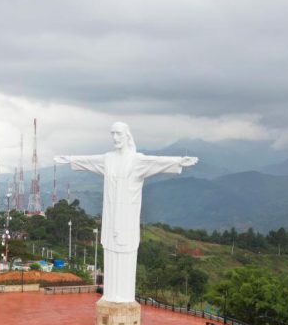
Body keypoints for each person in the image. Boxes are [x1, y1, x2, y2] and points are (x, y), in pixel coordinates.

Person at [55, 122, 198, 304]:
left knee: (126, 255)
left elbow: (157, 162)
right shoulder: (108, 159)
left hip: (127, 218)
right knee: (110, 254)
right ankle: (110, 295)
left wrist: (179, 161)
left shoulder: (136, 160)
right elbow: (89, 160)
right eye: (112, 134)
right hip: (110, 217)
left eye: (118, 134)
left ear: (127, 136)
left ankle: (125, 297)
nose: (115, 138)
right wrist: (70, 159)